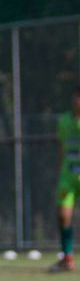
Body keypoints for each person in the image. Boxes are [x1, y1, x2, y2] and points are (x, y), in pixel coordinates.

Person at [53, 87, 80, 272]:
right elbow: (62, 147)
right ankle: (67, 258)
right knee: (64, 216)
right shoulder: (63, 121)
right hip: (68, 177)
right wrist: (59, 170)